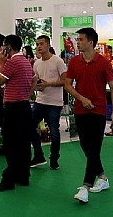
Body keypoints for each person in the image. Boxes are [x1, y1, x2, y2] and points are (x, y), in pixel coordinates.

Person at [64, 27, 113, 204]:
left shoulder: (103, 62)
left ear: (90, 42)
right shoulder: (74, 62)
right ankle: (102, 177)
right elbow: (67, 84)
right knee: (87, 148)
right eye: (77, 39)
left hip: (98, 111)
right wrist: (82, 99)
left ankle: (85, 187)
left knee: (94, 149)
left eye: (81, 39)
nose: (77, 42)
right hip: (80, 110)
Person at [0, 34, 35, 191]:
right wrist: (27, 94)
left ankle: (8, 179)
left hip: (13, 108)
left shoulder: (11, 62)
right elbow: (34, 79)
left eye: (4, 45)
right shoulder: (25, 61)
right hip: (24, 106)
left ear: (8, 46)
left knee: (10, 144)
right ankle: (23, 176)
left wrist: (2, 63)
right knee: (23, 143)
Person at [29, 35, 67, 170]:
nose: (39, 46)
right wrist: (35, 89)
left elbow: (65, 81)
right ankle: (38, 155)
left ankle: (54, 158)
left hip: (54, 103)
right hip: (40, 100)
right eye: (37, 44)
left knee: (54, 132)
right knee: (29, 126)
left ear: (48, 45)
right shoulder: (37, 63)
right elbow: (35, 81)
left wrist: (48, 84)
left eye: (41, 44)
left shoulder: (58, 61)